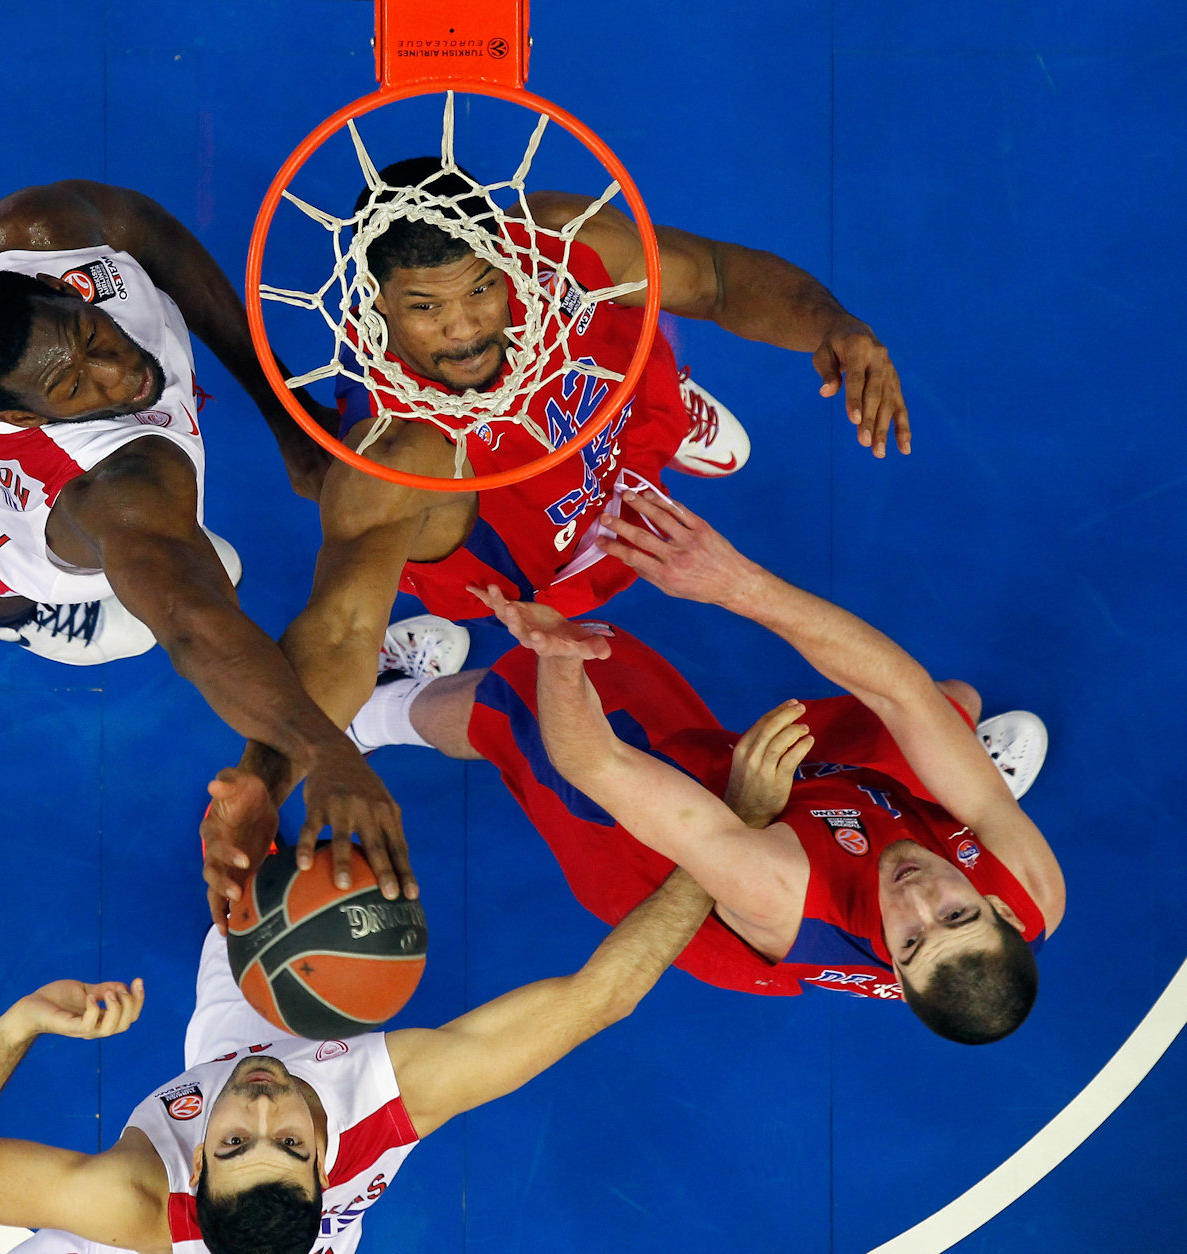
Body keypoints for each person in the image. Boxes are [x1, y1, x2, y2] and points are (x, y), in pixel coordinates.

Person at [201, 157, 911, 920]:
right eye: (425, 308)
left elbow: (716, 277)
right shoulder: (396, 453)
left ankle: (661, 419)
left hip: (604, 437)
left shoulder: (561, 238)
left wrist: (838, 328)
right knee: (449, 542)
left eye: (480, 289)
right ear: (377, 303)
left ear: (505, 255)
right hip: (515, 545)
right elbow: (343, 626)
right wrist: (269, 778)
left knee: (637, 297)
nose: (464, 327)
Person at [0, 180, 415, 898]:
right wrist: (326, 753)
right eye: (75, 388)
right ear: (25, 417)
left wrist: (284, 413)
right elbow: (193, 627)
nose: (119, 373)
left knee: (174, 560)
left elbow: (154, 236)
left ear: (62, 292)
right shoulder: (120, 489)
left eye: (90, 337)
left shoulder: (31, 233)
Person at [349, 494, 1064, 1044]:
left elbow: (598, 763)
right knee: (945, 706)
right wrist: (736, 583)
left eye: (910, 940)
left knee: (523, 704)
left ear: (897, 974)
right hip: (834, 801)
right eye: (956, 912)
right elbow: (899, 691)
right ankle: (955, 793)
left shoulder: (780, 890)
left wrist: (558, 661)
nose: (916, 900)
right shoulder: (1035, 888)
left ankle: (376, 711)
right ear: (1004, 910)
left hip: (697, 852)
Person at [0, 863, 714, 1254]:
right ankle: (371, 712)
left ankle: (355, 715)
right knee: (275, 895)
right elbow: (602, 996)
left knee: (251, 894)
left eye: (235, 1142)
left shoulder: (140, 1202)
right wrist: (722, 847)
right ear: (326, 1162)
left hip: (209, 1089)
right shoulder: (382, 1102)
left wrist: (17, 1026)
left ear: (195, 1163)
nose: (262, 1106)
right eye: (287, 1141)